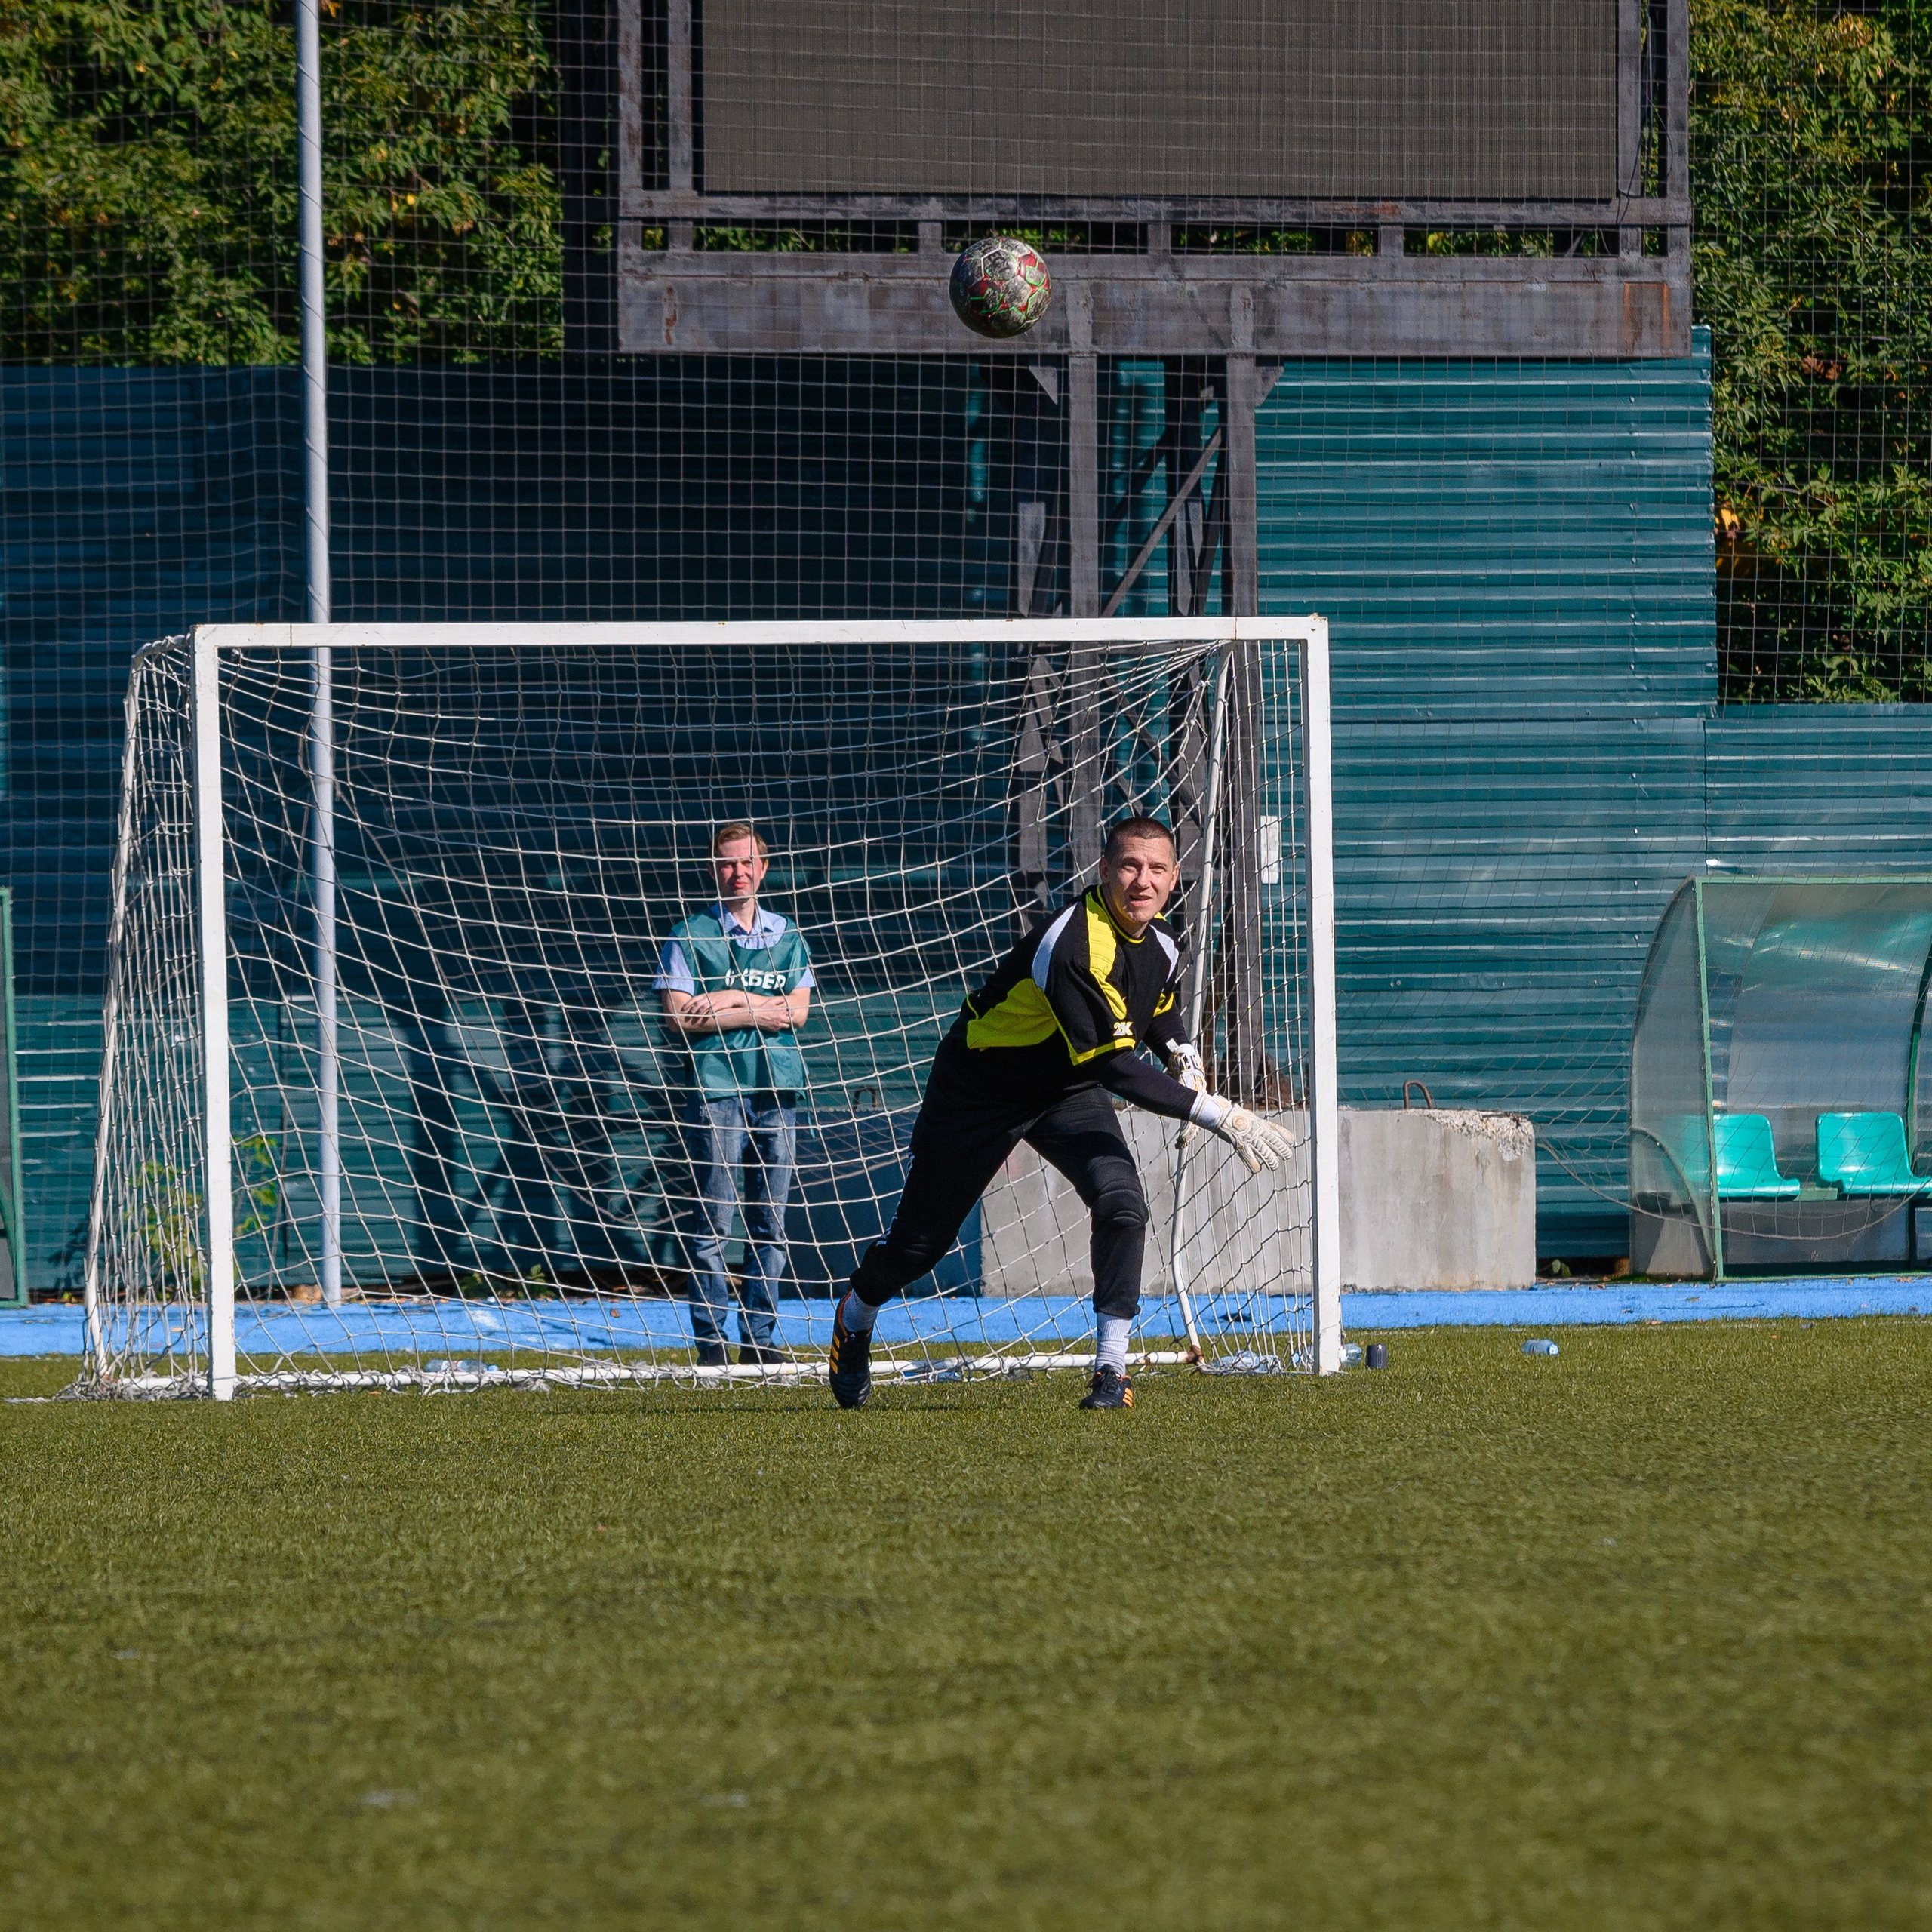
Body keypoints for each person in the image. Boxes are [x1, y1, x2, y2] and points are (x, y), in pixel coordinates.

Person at [827, 814, 1292, 1411]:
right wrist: (1224, 1115)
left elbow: (1157, 1005)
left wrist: (1180, 1048)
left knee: (1123, 1202)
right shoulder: (1074, 944)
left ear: (1176, 879)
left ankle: (1111, 1369)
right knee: (921, 1246)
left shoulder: (1164, 942)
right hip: (982, 1087)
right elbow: (1118, 1069)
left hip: (1068, 1089)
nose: (1141, 881)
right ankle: (857, 1312)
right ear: (1103, 871)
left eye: (1155, 870)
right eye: (1128, 866)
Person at [656, 822, 815, 1367]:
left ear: (763, 869)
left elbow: (797, 1012)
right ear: (713, 869)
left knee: (770, 1224)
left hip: (777, 1089)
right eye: (727, 863)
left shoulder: (788, 934)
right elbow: (679, 1017)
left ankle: (761, 1342)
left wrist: (728, 997)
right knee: (714, 1223)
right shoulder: (689, 934)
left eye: (747, 863)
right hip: (716, 1090)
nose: (737, 873)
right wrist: (758, 1009)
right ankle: (711, 1345)